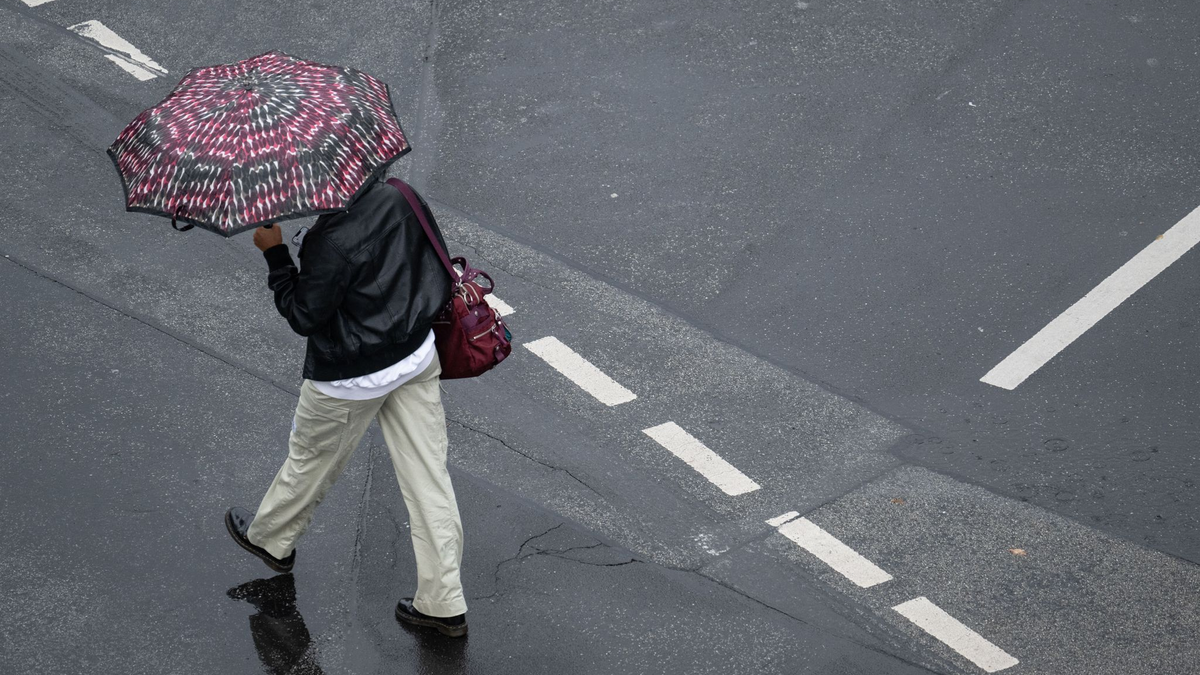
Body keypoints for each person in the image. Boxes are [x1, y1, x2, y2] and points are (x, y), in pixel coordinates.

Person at [224, 177, 468, 638]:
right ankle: (443, 603)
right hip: (415, 357)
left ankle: (272, 540)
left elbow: (304, 315)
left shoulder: (328, 241)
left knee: (311, 460)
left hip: (350, 378)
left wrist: (275, 253)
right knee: (430, 479)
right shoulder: (401, 194)